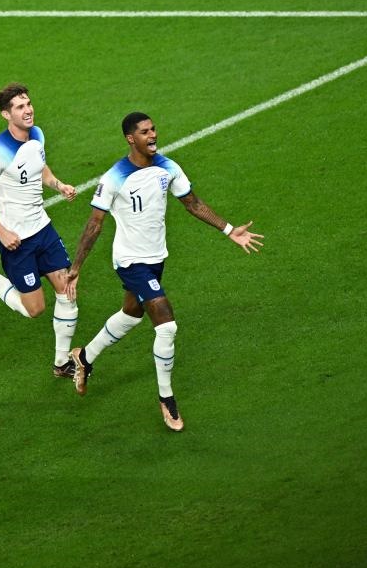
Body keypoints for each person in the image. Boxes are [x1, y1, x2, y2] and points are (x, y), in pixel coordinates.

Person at [64, 112, 264, 432]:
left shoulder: (168, 167)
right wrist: (76, 267)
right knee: (166, 325)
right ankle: (167, 399)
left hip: (157, 258)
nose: (153, 135)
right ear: (131, 139)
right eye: (145, 132)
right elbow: (94, 224)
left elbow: (193, 203)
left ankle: (84, 358)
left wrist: (229, 230)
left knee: (131, 314)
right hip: (130, 261)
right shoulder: (114, 177)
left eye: (154, 129)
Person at [0, 83, 80, 377]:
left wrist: (58, 185)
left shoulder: (37, 134)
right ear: (6, 115)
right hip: (17, 241)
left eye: (28, 104)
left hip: (43, 229)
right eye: (20, 107)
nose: (28, 110)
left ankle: (62, 363)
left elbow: (41, 167)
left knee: (68, 291)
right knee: (35, 309)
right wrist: (2, 231)